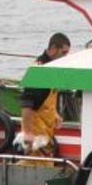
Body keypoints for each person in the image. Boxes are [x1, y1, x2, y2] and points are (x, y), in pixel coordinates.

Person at [18, 33, 70, 165]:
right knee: (33, 168)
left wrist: (55, 114)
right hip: (36, 137)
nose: (65, 57)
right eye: (63, 53)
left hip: (46, 135)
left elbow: (45, 99)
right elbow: (26, 103)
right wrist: (27, 133)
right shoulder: (40, 71)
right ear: (53, 49)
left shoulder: (51, 69)